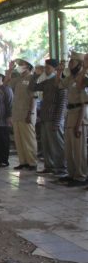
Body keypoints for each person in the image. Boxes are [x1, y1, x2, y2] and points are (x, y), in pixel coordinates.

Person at [29, 59, 68, 176]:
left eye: (48, 67)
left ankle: (61, 168)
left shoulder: (62, 82)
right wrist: (35, 75)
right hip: (45, 118)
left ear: (55, 69)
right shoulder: (47, 82)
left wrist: (57, 121)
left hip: (55, 119)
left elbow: (62, 103)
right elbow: (32, 87)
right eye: (45, 67)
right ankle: (49, 166)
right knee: (46, 144)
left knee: (57, 144)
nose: (45, 69)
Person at [58, 52, 88, 186]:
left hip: (79, 116)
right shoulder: (71, 78)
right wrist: (59, 71)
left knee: (79, 149)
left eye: (72, 62)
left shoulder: (84, 78)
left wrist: (79, 124)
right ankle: (71, 173)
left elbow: (84, 104)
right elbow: (59, 85)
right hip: (70, 114)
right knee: (69, 148)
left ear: (80, 64)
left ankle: (80, 176)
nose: (70, 64)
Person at [4, 60, 38, 171]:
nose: (19, 67)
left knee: (28, 139)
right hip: (17, 113)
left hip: (27, 113)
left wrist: (30, 113)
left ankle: (32, 162)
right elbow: (5, 83)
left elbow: (34, 97)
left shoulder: (32, 78)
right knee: (18, 140)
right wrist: (10, 69)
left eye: (21, 64)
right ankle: (23, 162)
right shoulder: (19, 79)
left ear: (28, 66)